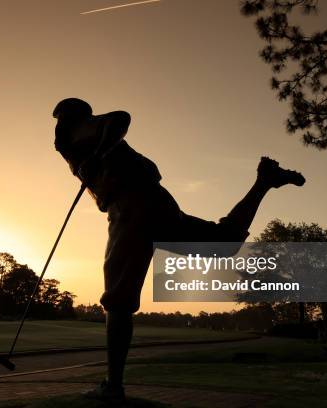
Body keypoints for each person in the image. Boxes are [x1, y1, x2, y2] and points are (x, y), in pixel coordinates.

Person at [52, 97, 305, 403]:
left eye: (60, 120)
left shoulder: (80, 131)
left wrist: (99, 153)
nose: (57, 126)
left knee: (118, 300)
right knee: (221, 243)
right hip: (155, 204)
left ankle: (113, 387)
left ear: (67, 119)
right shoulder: (74, 145)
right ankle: (263, 183)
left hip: (131, 209)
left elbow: (120, 117)